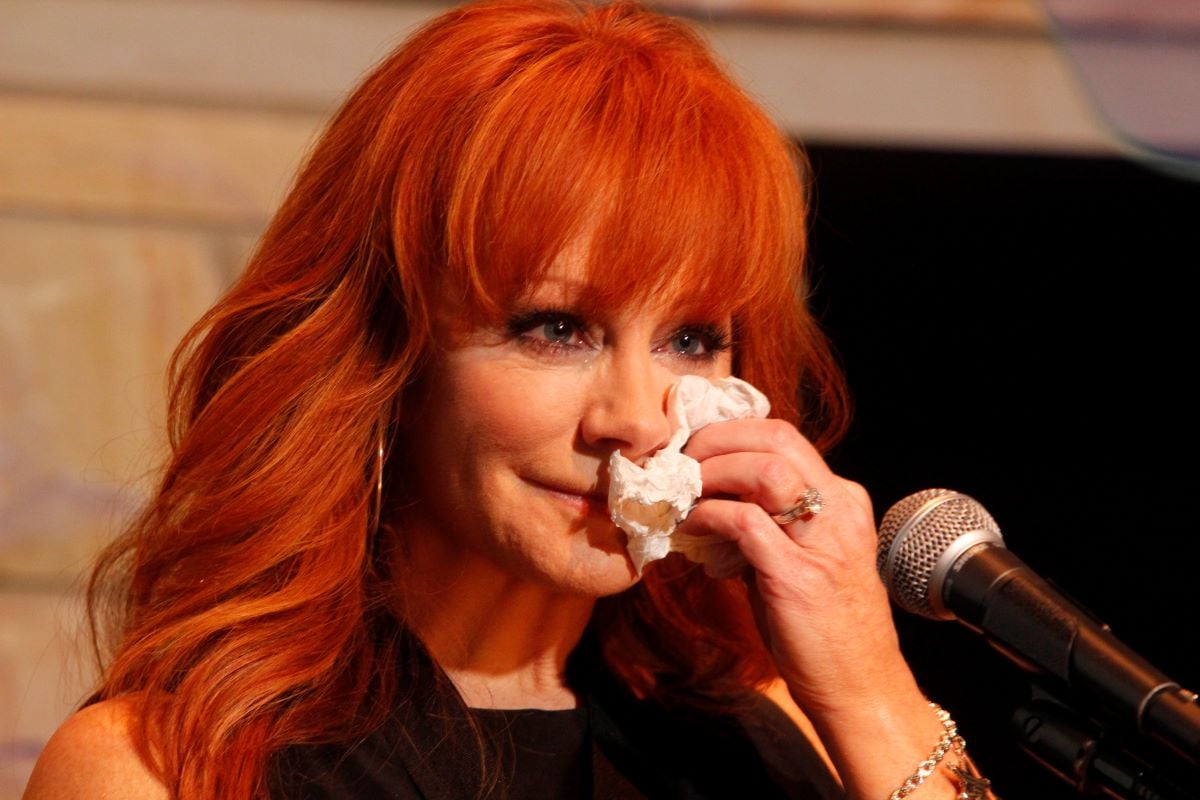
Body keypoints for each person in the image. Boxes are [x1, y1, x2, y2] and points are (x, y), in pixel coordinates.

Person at [23, 0, 995, 797]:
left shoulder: (781, 730)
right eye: (556, 328)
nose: (639, 414)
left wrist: (873, 690)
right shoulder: (158, 767)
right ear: (390, 356)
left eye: (690, 337)